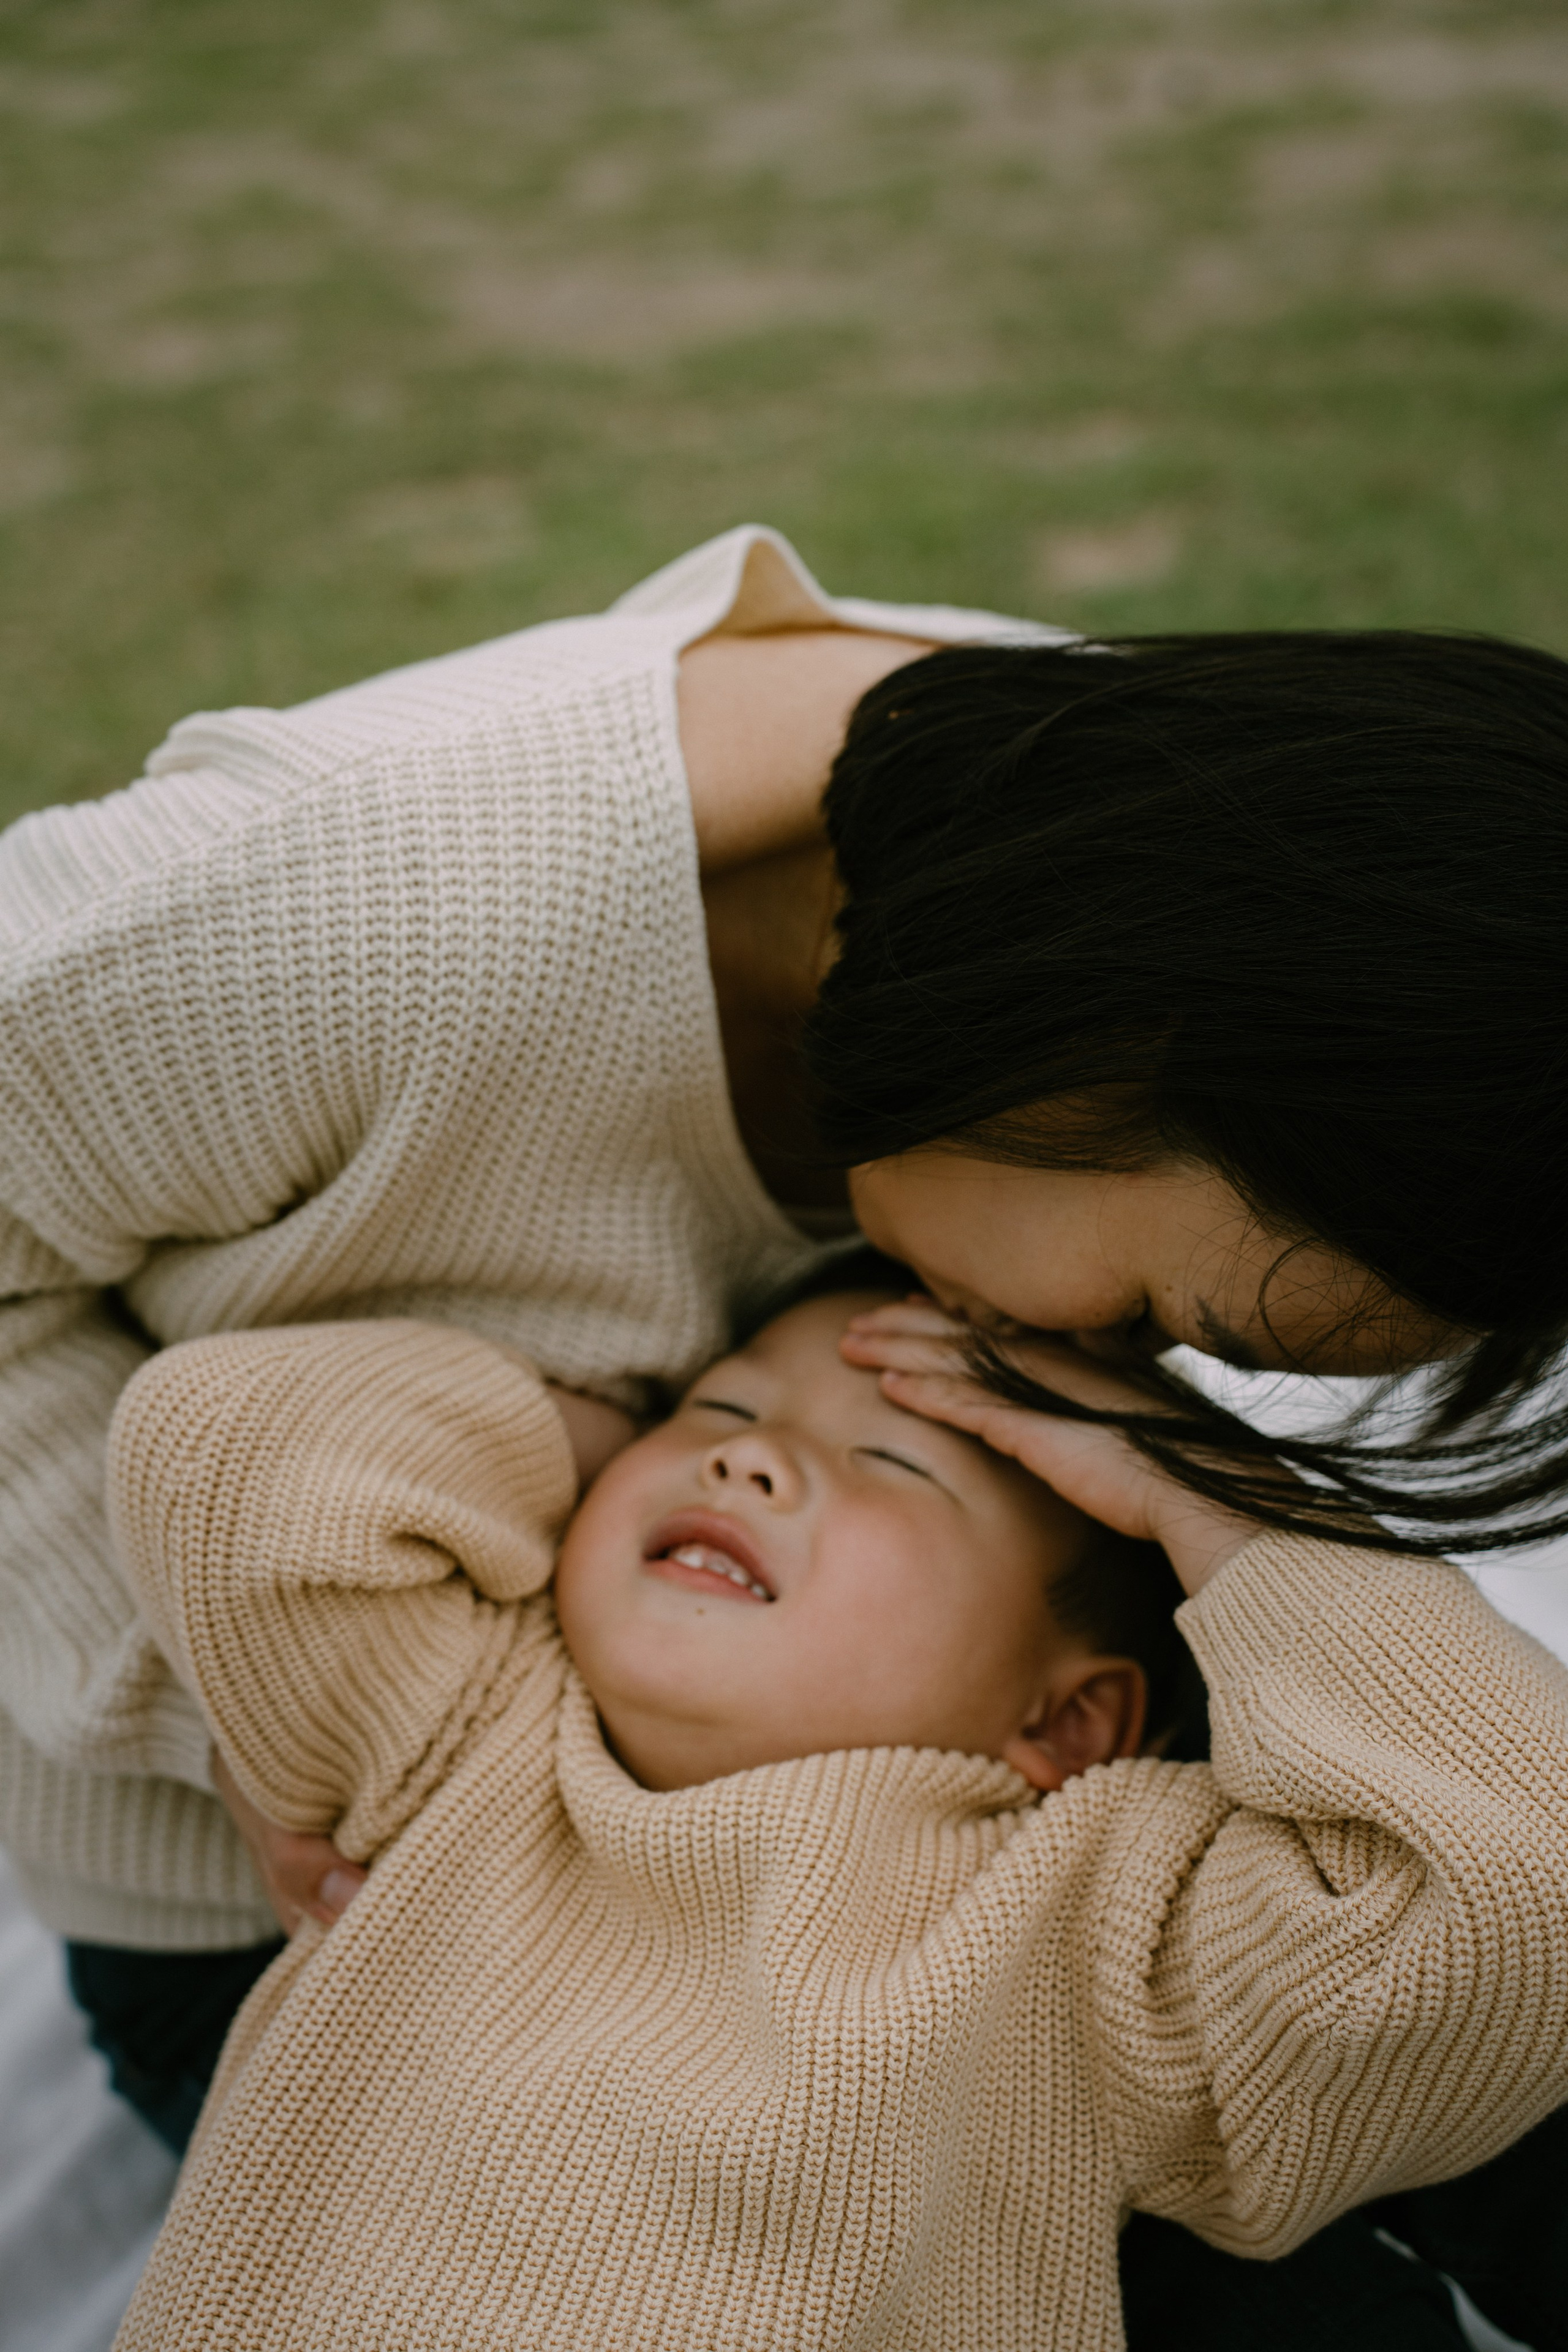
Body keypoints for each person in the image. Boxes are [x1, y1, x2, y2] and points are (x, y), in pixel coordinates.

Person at [4, 524, 1567, 2342]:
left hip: (935, 1726)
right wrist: (262, 1724)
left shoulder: (1144, 880)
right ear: (1093, 1055)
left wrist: (1216, 1525)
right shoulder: (347, 908)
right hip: (342, 1856)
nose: (1098, 1373)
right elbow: (246, 1472)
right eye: (1157, 1326)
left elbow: (1498, 1902)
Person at [106, 1270, 1568, 2351]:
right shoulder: (476, 1725)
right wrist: (607, 1434)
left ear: (1065, 1719)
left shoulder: (1080, 1926)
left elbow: (1502, 1898)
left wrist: (1211, 1504)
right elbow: (220, 1441)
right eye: (718, 1406)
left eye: (890, 1463)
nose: (744, 1456)